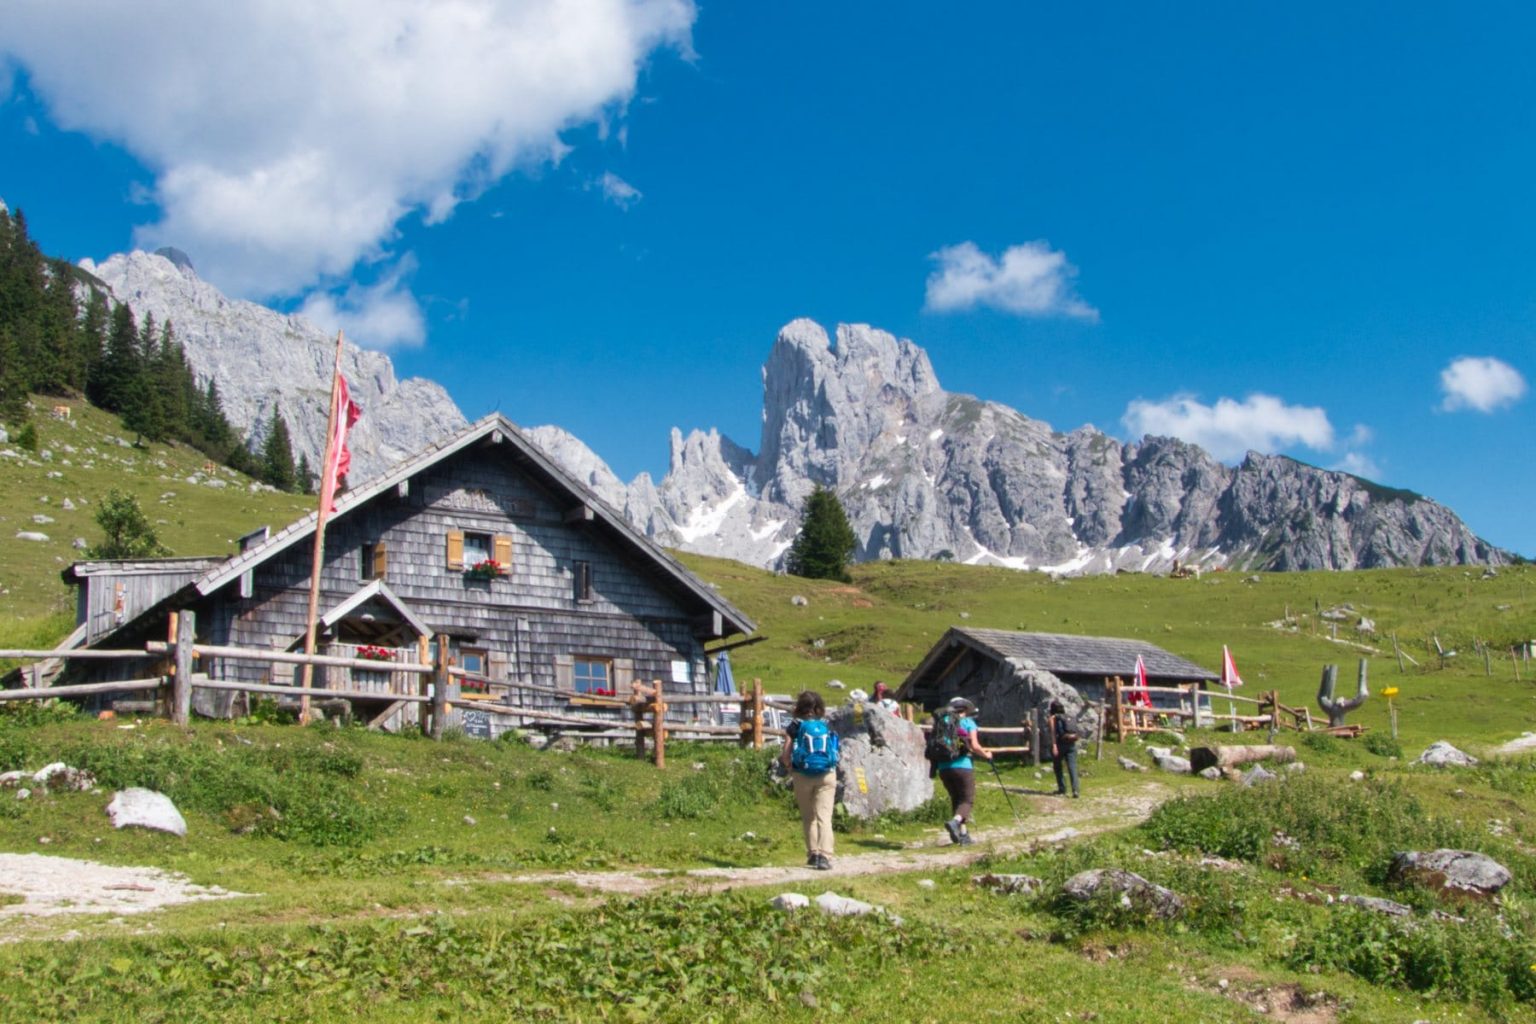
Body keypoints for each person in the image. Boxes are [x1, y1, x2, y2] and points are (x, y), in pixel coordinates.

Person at [779, 689, 837, 870]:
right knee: (824, 817)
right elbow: (835, 748)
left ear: (799, 707)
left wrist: (789, 767)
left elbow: (786, 753)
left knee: (808, 817)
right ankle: (825, 856)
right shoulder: (826, 724)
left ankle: (813, 854)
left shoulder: (794, 726)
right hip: (827, 774)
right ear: (819, 707)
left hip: (802, 775)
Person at [935, 696, 991, 845]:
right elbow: (975, 746)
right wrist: (987, 755)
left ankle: (963, 835)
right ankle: (955, 823)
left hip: (943, 767)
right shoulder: (967, 722)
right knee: (967, 800)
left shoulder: (942, 722)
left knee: (957, 800)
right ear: (965, 709)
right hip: (962, 765)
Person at [1048, 700, 1080, 798]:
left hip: (1060, 744)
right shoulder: (1068, 716)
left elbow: (1053, 733)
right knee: (1072, 767)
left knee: (1058, 767)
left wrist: (1054, 746)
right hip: (1072, 744)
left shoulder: (1053, 718)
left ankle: (1062, 789)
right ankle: (1075, 790)